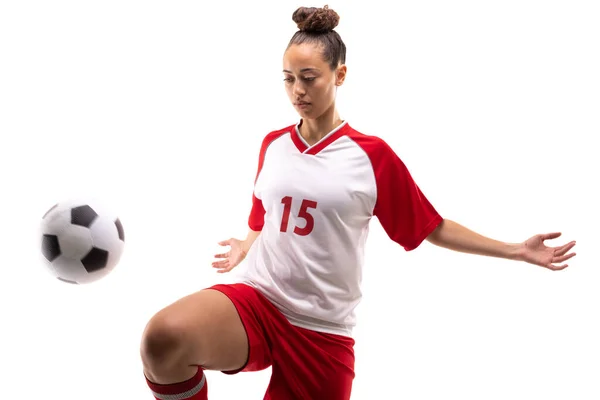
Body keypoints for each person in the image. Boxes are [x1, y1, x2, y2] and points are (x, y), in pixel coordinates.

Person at [140, 5, 577, 400]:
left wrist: (515, 250)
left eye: (309, 78)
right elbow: (264, 213)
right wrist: (246, 243)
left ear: (340, 75)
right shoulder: (273, 144)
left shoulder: (371, 156)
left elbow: (431, 226)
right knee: (163, 339)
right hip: (258, 299)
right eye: (289, 79)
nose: (298, 91)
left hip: (321, 330)